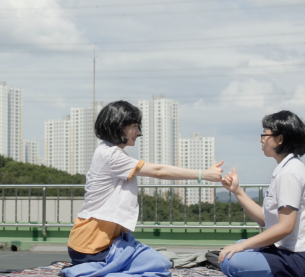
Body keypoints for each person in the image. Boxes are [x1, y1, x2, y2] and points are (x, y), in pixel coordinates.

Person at [67, 100, 224, 265]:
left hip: (94, 243)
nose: (139, 132)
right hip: (91, 246)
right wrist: (203, 174)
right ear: (116, 127)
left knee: (159, 257)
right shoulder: (112, 155)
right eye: (134, 126)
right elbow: (159, 171)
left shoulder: (106, 150)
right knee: (159, 264)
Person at [218, 110, 305, 277]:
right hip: (289, 253)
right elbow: (266, 220)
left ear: (280, 139)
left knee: (230, 260)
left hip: (302, 260)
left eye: (264, 135)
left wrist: (245, 245)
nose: (261, 140)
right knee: (237, 246)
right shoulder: (286, 168)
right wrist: (237, 191)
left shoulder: (289, 173)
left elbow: (285, 227)